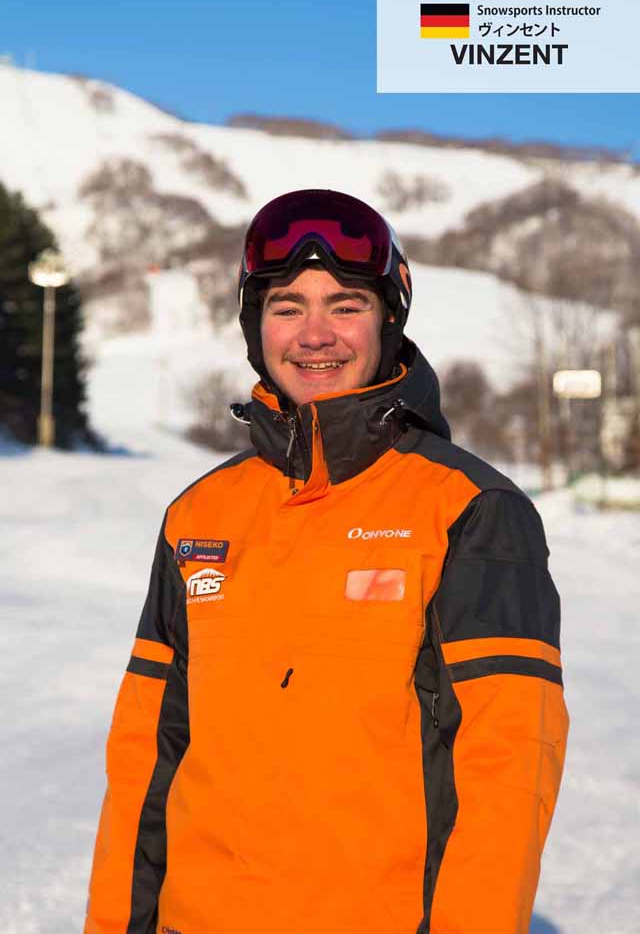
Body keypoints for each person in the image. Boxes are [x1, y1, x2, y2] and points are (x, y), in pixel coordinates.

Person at [84, 189, 569, 934]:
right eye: (287, 307)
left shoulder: (469, 509)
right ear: (255, 326)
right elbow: (146, 756)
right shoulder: (199, 515)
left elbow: (507, 771)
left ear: (388, 319)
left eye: (345, 305)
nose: (315, 335)